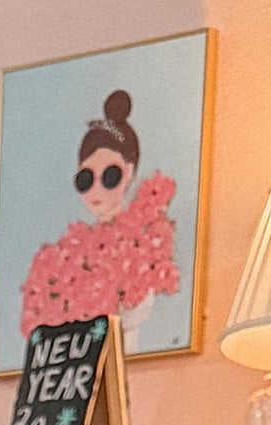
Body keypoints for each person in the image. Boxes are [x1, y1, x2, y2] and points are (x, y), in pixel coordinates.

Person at [19, 88, 180, 346]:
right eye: (85, 179)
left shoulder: (145, 237)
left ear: (129, 171)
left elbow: (132, 313)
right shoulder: (69, 250)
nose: (96, 189)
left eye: (109, 176)